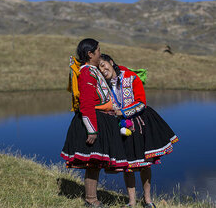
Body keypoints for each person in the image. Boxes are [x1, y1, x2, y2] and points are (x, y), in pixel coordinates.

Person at [98, 54, 179, 208]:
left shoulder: (131, 77)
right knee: (127, 165)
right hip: (120, 127)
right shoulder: (104, 85)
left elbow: (141, 103)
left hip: (140, 124)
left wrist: (123, 112)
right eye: (99, 68)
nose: (102, 70)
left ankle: (148, 200)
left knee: (144, 164)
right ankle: (132, 202)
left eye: (103, 65)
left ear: (111, 62)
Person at [61, 39, 128, 208]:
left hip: (100, 119)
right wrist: (92, 130)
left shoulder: (92, 70)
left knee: (95, 164)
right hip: (92, 121)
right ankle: (91, 200)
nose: (100, 53)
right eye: (98, 51)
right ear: (90, 54)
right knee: (92, 163)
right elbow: (86, 104)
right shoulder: (86, 73)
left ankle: (92, 199)